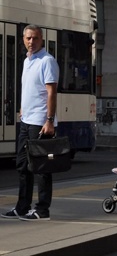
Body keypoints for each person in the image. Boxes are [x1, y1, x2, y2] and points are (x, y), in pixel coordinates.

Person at [1, 25, 59, 221]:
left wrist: (49, 120)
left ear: (41, 39)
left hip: (41, 122)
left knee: (41, 167)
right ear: (23, 39)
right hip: (26, 121)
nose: (31, 42)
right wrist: (22, 109)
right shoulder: (27, 61)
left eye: (34, 38)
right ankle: (22, 207)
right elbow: (30, 89)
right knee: (22, 165)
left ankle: (43, 210)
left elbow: (51, 92)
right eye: (27, 38)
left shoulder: (47, 61)